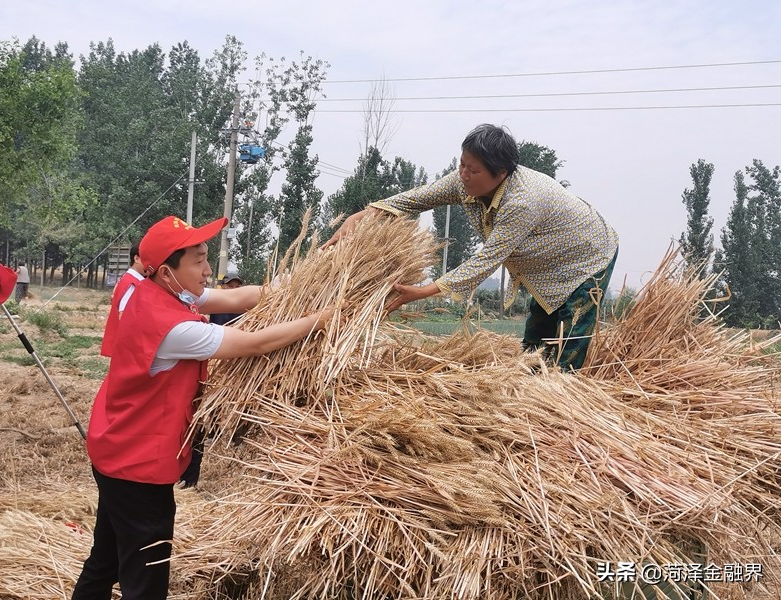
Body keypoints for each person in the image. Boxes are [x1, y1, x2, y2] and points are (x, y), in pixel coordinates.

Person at [72, 215, 335, 600]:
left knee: (106, 558)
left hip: (116, 447)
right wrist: (324, 318)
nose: (209, 269)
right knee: (145, 578)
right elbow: (256, 343)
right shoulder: (170, 327)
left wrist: (301, 286)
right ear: (166, 271)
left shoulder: (165, 292)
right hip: (137, 466)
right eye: (198, 260)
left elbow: (237, 297)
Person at [324, 124, 619, 371]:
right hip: (547, 263)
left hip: (587, 256)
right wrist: (363, 214)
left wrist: (423, 292)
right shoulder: (462, 181)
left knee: (569, 337)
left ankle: (563, 399)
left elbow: (485, 261)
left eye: (473, 170)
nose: (463, 174)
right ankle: (530, 387)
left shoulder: (522, 202)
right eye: (461, 164)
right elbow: (418, 197)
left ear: (500, 173)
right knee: (539, 331)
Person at [100, 243, 146, 357]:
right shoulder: (132, 283)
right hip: (128, 346)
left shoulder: (130, 279)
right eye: (148, 259)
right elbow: (124, 315)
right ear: (136, 258)